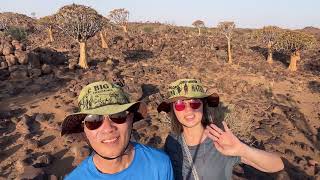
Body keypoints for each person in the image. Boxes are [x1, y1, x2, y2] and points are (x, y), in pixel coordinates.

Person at [158, 79, 284, 180]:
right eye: (179, 105)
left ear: (204, 106)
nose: (189, 110)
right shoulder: (172, 142)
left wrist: (243, 150)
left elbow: (277, 165)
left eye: (195, 103)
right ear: (173, 110)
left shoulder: (219, 140)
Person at [61, 81, 173, 180]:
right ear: (84, 129)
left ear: (131, 119)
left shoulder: (160, 165)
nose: (108, 128)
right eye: (93, 120)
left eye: (118, 115)